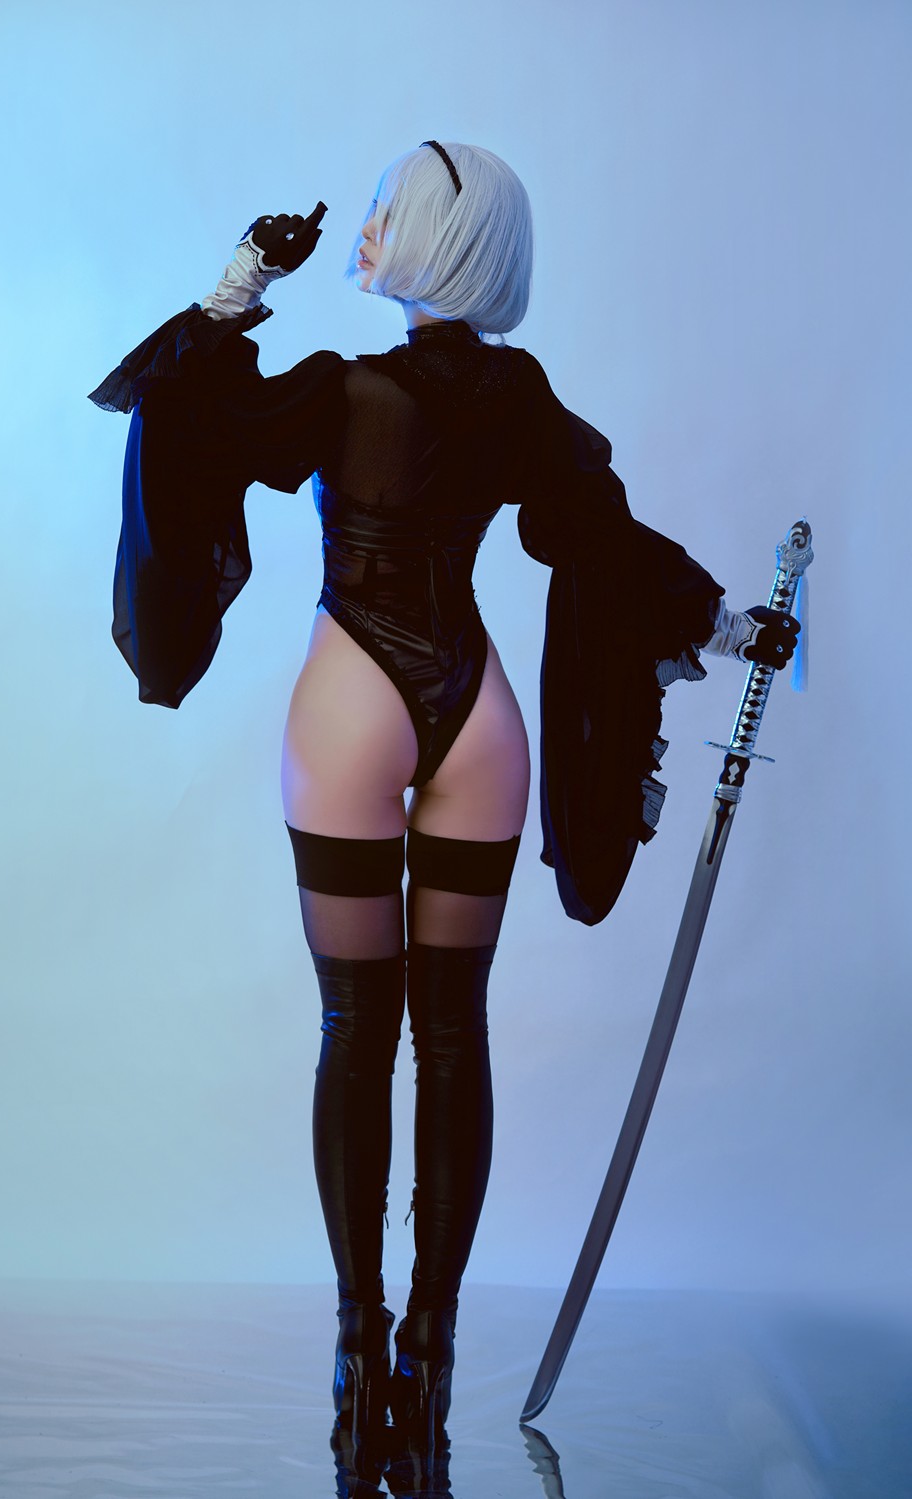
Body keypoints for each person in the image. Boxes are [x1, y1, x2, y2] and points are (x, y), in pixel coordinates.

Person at [88, 141, 798, 1446]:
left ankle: (363, 1349)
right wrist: (728, 621)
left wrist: (240, 282)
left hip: (353, 698)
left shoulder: (341, 389)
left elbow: (196, 425)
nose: (364, 230)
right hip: (477, 716)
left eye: (386, 213)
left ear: (439, 241)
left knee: (357, 1024)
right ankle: (430, 1338)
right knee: (452, 1031)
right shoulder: (516, 397)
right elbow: (597, 537)